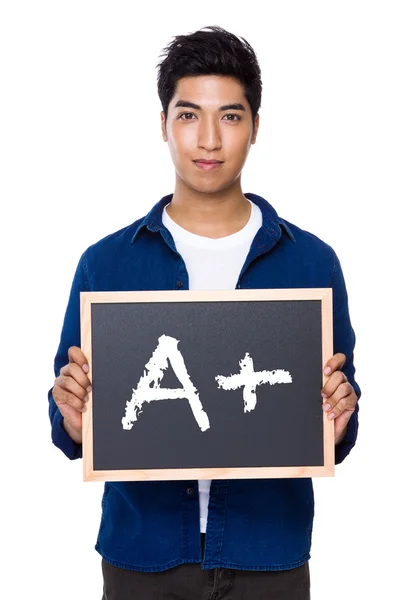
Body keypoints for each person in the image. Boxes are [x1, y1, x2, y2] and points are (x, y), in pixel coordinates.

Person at [49, 25, 360, 600]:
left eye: (232, 116)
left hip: (270, 557)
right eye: (189, 115)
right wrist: (72, 415)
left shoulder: (312, 263)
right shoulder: (106, 264)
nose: (209, 139)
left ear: (256, 127)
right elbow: (68, 419)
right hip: (142, 558)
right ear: (163, 124)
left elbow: (342, 416)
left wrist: (340, 416)